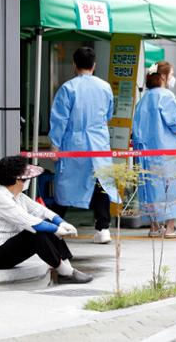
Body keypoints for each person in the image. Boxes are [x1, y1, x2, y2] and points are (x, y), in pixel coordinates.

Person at [0, 156, 92, 283]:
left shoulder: (18, 196)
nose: (29, 180)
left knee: (44, 226)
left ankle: (68, 270)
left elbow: (42, 211)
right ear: (17, 180)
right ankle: (64, 272)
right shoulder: (0, 198)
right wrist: (57, 229)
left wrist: (61, 222)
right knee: (34, 234)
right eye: (27, 177)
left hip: (7, 250)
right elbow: (28, 221)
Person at [49, 47, 119, 244]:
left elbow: (59, 119)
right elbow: (108, 114)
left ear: (74, 64)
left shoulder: (68, 88)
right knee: (101, 182)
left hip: (74, 142)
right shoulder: (105, 87)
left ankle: (58, 226)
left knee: (65, 183)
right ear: (94, 65)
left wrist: (55, 145)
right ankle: (103, 228)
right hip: (98, 141)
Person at [133, 62, 176, 238]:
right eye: (171, 74)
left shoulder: (144, 97)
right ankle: (170, 227)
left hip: (146, 152)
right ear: (162, 77)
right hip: (167, 148)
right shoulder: (166, 96)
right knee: (172, 186)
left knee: (151, 187)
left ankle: (154, 226)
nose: (172, 78)